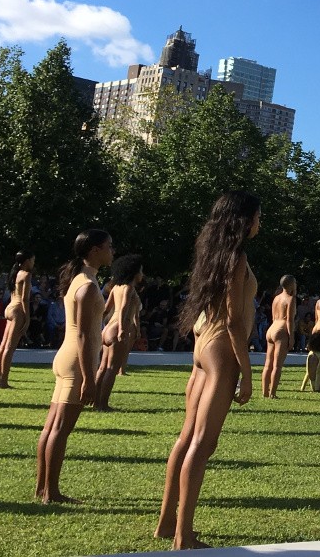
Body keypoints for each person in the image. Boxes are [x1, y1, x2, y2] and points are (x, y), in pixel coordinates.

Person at [155, 190, 261, 550]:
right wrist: (247, 373)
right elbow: (234, 321)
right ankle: (184, 535)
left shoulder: (212, 253)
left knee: (186, 439)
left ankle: (167, 524)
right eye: (257, 217)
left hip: (203, 348)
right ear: (243, 221)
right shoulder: (237, 257)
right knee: (202, 444)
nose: (259, 223)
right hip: (221, 352)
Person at [35, 229, 114, 503]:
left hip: (68, 358)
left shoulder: (85, 279)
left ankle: (43, 487)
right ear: (94, 250)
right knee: (60, 429)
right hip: (75, 361)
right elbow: (82, 333)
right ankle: (51, 492)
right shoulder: (87, 285)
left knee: (51, 426)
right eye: (108, 247)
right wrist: (90, 379)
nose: (111, 252)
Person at [94, 254, 145, 410]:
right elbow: (123, 309)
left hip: (109, 327)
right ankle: (103, 404)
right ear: (134, 272)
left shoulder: (116, 287)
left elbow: (106, 309)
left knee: (103, 367)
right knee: (112, 368)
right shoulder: (129, 288)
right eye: (141, 271)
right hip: (118, 328)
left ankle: (95, 401)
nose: (142, 274)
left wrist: (97, 326)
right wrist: (123, 330)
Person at [0, 250, 34, 389]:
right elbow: (25, 299)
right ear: (27, 261)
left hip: (9, 307)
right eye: (32, 260)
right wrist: (27, 318)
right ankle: (4, 381)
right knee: (10, 348)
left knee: (3, 346)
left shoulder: (14, 273)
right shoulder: (27, 274)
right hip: (18, 310)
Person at [261, 275, 297, 399]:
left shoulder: (276, 298)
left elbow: (272, 316)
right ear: (292, 284)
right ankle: (272, 393)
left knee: (268, 364)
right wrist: (291, 337)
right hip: (281, 329)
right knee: (277, 365)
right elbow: (290, 320)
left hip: (272, 328)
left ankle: (265, 392)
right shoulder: (290, 299)